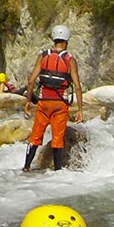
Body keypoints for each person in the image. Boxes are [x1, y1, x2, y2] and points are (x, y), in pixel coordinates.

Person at [23, 25, 84, 172]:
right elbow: (77, 86)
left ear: (54, 39)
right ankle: (57, 171)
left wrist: (27, 101)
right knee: (58, 138)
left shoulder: (43, 56)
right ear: (67, 40)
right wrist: (80, 109)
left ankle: (26, 167)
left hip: (43, 103)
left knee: (35, 136)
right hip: (59, 105)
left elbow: (31, 81)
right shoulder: (70, 60)